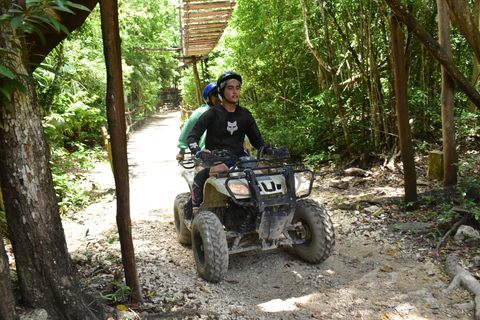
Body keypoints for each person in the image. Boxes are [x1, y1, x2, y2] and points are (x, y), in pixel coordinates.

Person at [187, 71, 267, 208]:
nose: (235, 92)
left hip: (240, 158)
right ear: (221, 91)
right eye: (230, 88)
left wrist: (269, 149)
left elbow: (258, 141)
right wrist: (198, 151)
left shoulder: (245, 114)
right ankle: (196, 208)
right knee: (219, 170)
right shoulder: (211, 114)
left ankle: (265, 205)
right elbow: (192, 136)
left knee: (266, 169)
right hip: (215, 159)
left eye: (238, 88)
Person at [176, 83, 220, 161]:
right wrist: (182, 151)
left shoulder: (230, 112)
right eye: (215, 94)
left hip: (228, 155)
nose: (219, 97)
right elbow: (187, 131)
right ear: (208, 97)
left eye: (221, 94)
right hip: (204, 156)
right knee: (203, 172)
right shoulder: (201, 112)